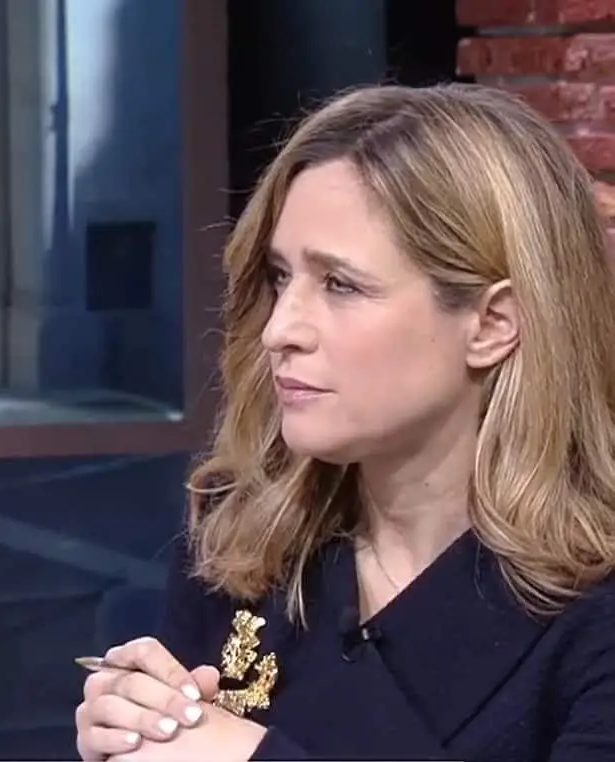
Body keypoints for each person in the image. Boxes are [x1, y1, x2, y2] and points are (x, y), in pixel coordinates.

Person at [74, 82, 615, 761]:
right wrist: (127, 737)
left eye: (341, 285)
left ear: (492, 323)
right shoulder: (240, 532)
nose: (279, 329)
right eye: (280, 278)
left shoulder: (592, 611)